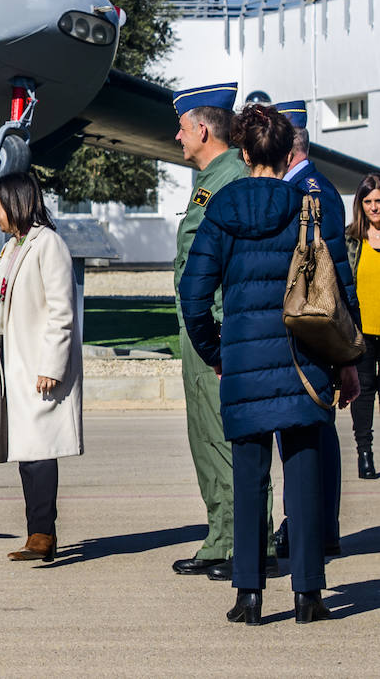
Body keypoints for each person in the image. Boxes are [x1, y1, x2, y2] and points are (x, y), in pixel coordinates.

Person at [181, 103, 361, 625]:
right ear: (289, 154)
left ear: (242, 152)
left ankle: (249, 596)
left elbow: (194, 297)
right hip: (305, 361)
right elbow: (340, 293)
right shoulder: (313, 207)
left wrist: (218, 352)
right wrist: (348, 362)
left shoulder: (220, 208)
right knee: (304, 474)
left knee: (249, 475)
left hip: (242, 362)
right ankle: (308, 596)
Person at [169, 82, 276, 579]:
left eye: (183, 127)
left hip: (220, 331)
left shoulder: (230, 178)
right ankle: (222, 536)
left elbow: (229, 263)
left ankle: (246, 544)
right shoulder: (212, 179)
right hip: (202, 332)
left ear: (203, 128)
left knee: (229, 439)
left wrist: (216, 338)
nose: (177, 136)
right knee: (207, 435)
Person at [0, 172, 83, 563]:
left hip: (38, 368)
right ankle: (37, 532)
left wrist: (52, 366)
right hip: (15, 367)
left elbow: (62, 311)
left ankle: (43, 534)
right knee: (26, 454)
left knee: (40, 452)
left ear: (17, 202)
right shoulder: (12, 247)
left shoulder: (48, 245)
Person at [272, 101, 344, 559]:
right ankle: (317, 524)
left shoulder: (308, 192)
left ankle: (312, 527)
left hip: (308, 329)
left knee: (308, 430)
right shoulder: (315, 187)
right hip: (314, 328)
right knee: (316, 429)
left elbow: (329, 274)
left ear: (287, 148)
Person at [346, 173, 380, 480]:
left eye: (378, 201)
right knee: (365, 393)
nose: (374, 207)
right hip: (363, 332)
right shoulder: (351, 239)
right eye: (368, 201)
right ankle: (364, 454)